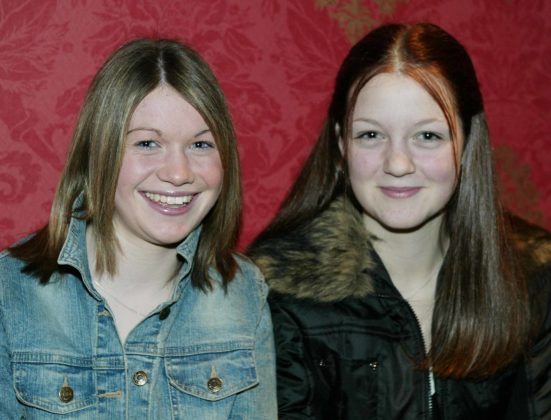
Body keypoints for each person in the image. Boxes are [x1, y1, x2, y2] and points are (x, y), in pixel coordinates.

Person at [248, 22, 551, 419]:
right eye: (371, 136)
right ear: (341, 145)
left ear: (467, 142)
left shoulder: (534, 277)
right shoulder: (277, 296)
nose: (397, 164)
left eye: (427, 136)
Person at [0, 38, 277, 418]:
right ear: (99, 152)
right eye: (148, 143)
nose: (178, 173)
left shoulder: (243, 293)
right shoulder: (10, 293)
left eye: (200, 145)